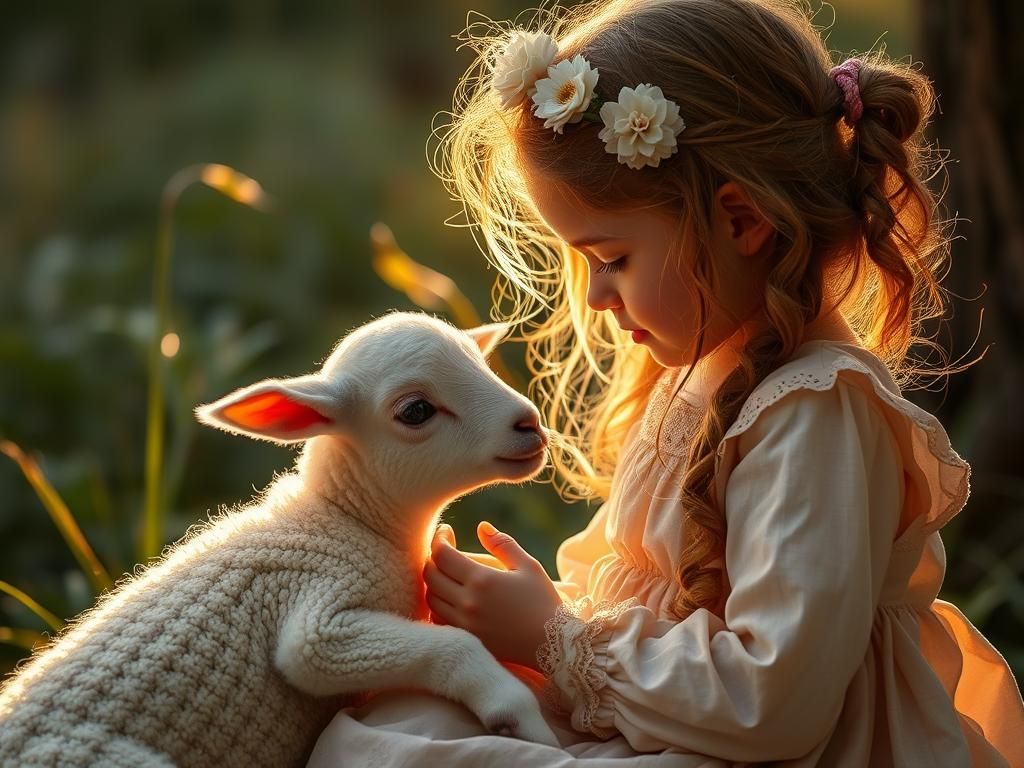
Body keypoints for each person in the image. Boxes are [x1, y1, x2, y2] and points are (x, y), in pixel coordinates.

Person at [306, 0, 1024, 764]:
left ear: (742, 222)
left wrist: (551, 636)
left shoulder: (815, 416)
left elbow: (772, 703)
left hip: (757, 746)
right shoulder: (705, 373)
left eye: (611, 258)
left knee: (397, 753)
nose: (594, 297)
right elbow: (623, 583)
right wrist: (519, 614)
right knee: (397, 721)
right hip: (664, 711)